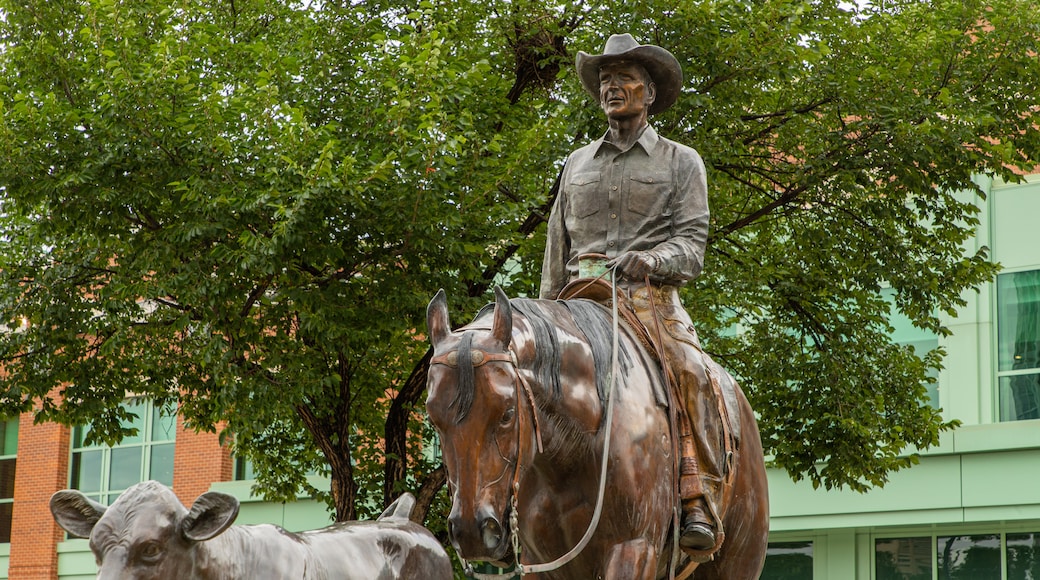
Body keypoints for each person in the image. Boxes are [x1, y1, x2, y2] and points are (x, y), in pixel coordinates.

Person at [539, 33, 725, 555]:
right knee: (514, 378)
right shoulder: (575, 164)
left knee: (691, 373)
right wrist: (544, 313)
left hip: (648, 302)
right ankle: (511, 503)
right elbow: (556, 249)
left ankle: (697, 496)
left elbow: (692, 245)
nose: (610, 87)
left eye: (622, 78)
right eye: (604, 79)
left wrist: (653, 260)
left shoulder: (681, 161)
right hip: (576, 303)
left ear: (648, 92)